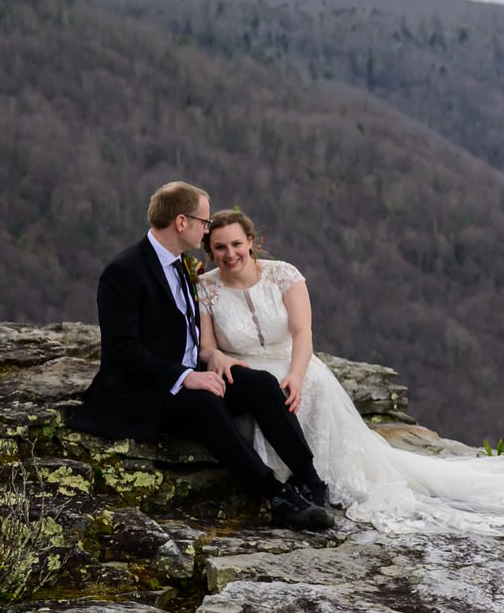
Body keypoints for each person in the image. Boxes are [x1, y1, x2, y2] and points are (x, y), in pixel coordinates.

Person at [195, 209, 504, 535]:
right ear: (211, 251)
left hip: (296, 365)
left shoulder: (283, 275)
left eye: (236, 243)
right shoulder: (207, 290)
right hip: (250, 372)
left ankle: (316, 481)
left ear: (251, 241)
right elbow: (208, 347)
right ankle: (298, 484)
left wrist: (296, 374)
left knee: (311, 385)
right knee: (261, 397)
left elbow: (303, 333)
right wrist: (220, 360)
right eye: (220, 247)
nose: (230, 253)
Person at [69, 181, 333, 530]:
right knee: (205, 402)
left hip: (193, 370)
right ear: (182, 222)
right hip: (147, 387)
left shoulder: (181, 265)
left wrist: (212, 357)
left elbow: (190, 333)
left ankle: (311, 480)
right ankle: (276, 495)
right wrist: (185, 375)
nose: (206, 230)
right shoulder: (124, 271)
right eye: (203, 222)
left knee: (261, 384)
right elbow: (121, 350)